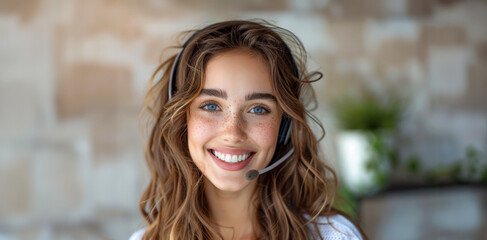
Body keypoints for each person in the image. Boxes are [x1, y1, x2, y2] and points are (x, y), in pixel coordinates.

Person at [130, 20, 366, 240]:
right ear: (181, 121)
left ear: (284, 126)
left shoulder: (335, 236)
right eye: (211, 106)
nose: (232, 134)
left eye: (258, 109)